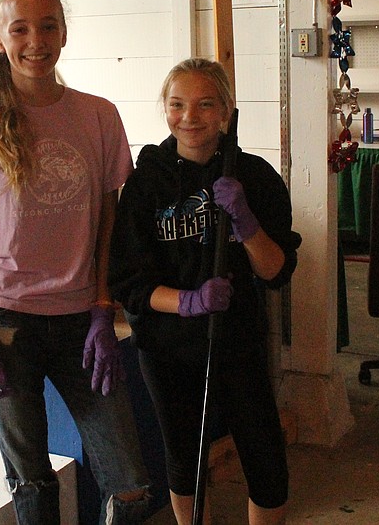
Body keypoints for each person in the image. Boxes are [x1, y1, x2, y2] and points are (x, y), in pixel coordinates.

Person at [0, 0, 150, 525]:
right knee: (31, 482)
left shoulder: (98, 116)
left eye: (48, 25)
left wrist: (104, 308)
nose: (37, 40)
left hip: (82, 321)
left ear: (65, 33)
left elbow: (108, 223)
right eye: (21, 28)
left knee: (129, 483)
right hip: (7, 324)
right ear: (0, 40)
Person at [109, 58, 302, 525]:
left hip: (236, 338)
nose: (189, 117)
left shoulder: (254, 177)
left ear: (226, 112)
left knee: (265, 456)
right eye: (177, 105)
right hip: (167, 343)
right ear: (165, 109)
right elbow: (129, 284)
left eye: (204, 104)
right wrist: (189, 302)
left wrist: (248, 224)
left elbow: (276, 271)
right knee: (185, 457)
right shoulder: (144, 185)